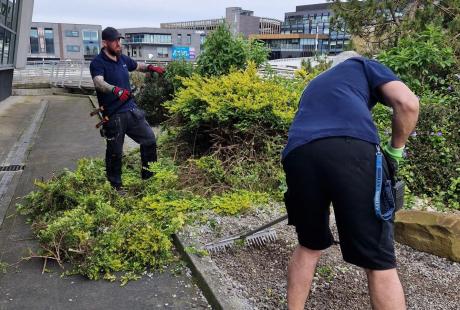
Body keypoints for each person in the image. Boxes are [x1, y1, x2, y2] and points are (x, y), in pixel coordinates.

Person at [282, 51, 419, 310]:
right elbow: (408, 103)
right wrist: (395, 150)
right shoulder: (362, 65)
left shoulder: (314, 84)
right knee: (378, 260)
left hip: (298, 154)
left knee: (308, 245)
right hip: (352, 151)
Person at [90, 27, 166, 192]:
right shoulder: (98, 63)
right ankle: (115, 187)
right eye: (115, 41)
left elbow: (138, 65)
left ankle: (149, 178)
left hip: (131, 111)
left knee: (149, 140)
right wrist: (115, 90)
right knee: (115, 153)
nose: (119, 44)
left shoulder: (122, 59)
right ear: (105, 43)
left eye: (119, 40)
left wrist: (151, 68)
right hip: (114, 115)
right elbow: (98, 82)